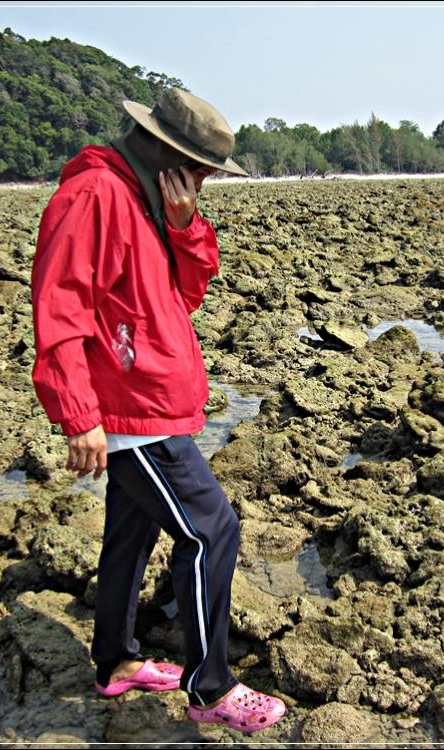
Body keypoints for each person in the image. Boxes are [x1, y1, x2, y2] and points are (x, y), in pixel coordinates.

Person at [30, 88, 286, 733]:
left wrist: (184, 224)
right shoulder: (94, 195)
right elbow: (59, 307)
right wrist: (78, 412)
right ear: (167, 150)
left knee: (131, 534)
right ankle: (211, 689)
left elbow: (186, 294)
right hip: (131, 407)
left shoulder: (149, 200)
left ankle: (115, 662)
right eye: (200, 167)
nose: (203, 180)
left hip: (152, 398)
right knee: (211, 531)